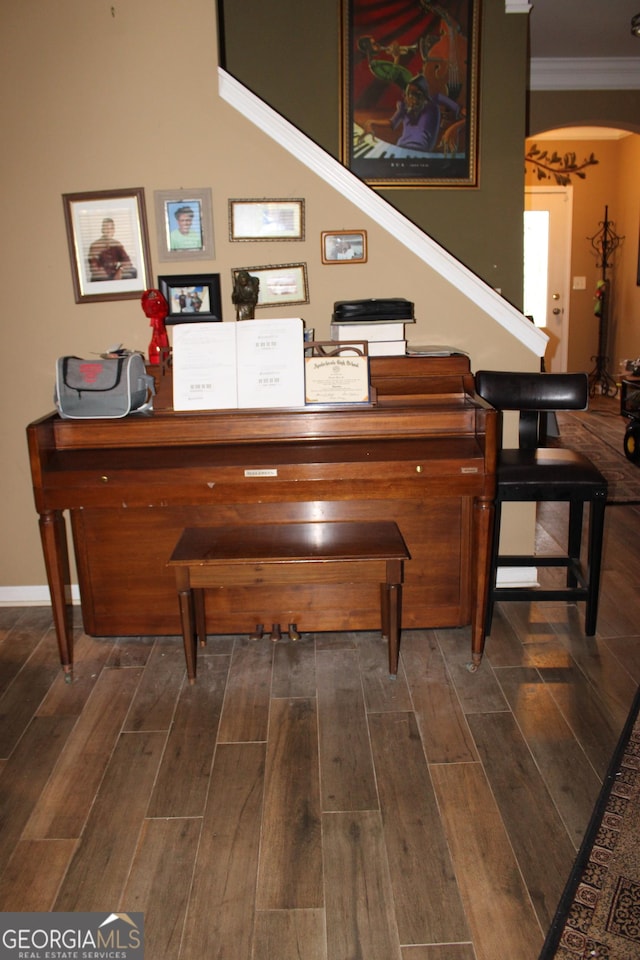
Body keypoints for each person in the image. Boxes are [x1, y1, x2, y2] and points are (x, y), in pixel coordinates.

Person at [367, 74, 462, 154]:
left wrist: (454, 128)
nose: (410, 98)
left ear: (423, 95)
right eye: (408, 94)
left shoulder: (434, 102)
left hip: (420, 151)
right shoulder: (404, 107)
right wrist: (371, 122)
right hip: (400, 148)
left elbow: (462, 111)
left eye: (415, 94)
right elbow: (391, 123)